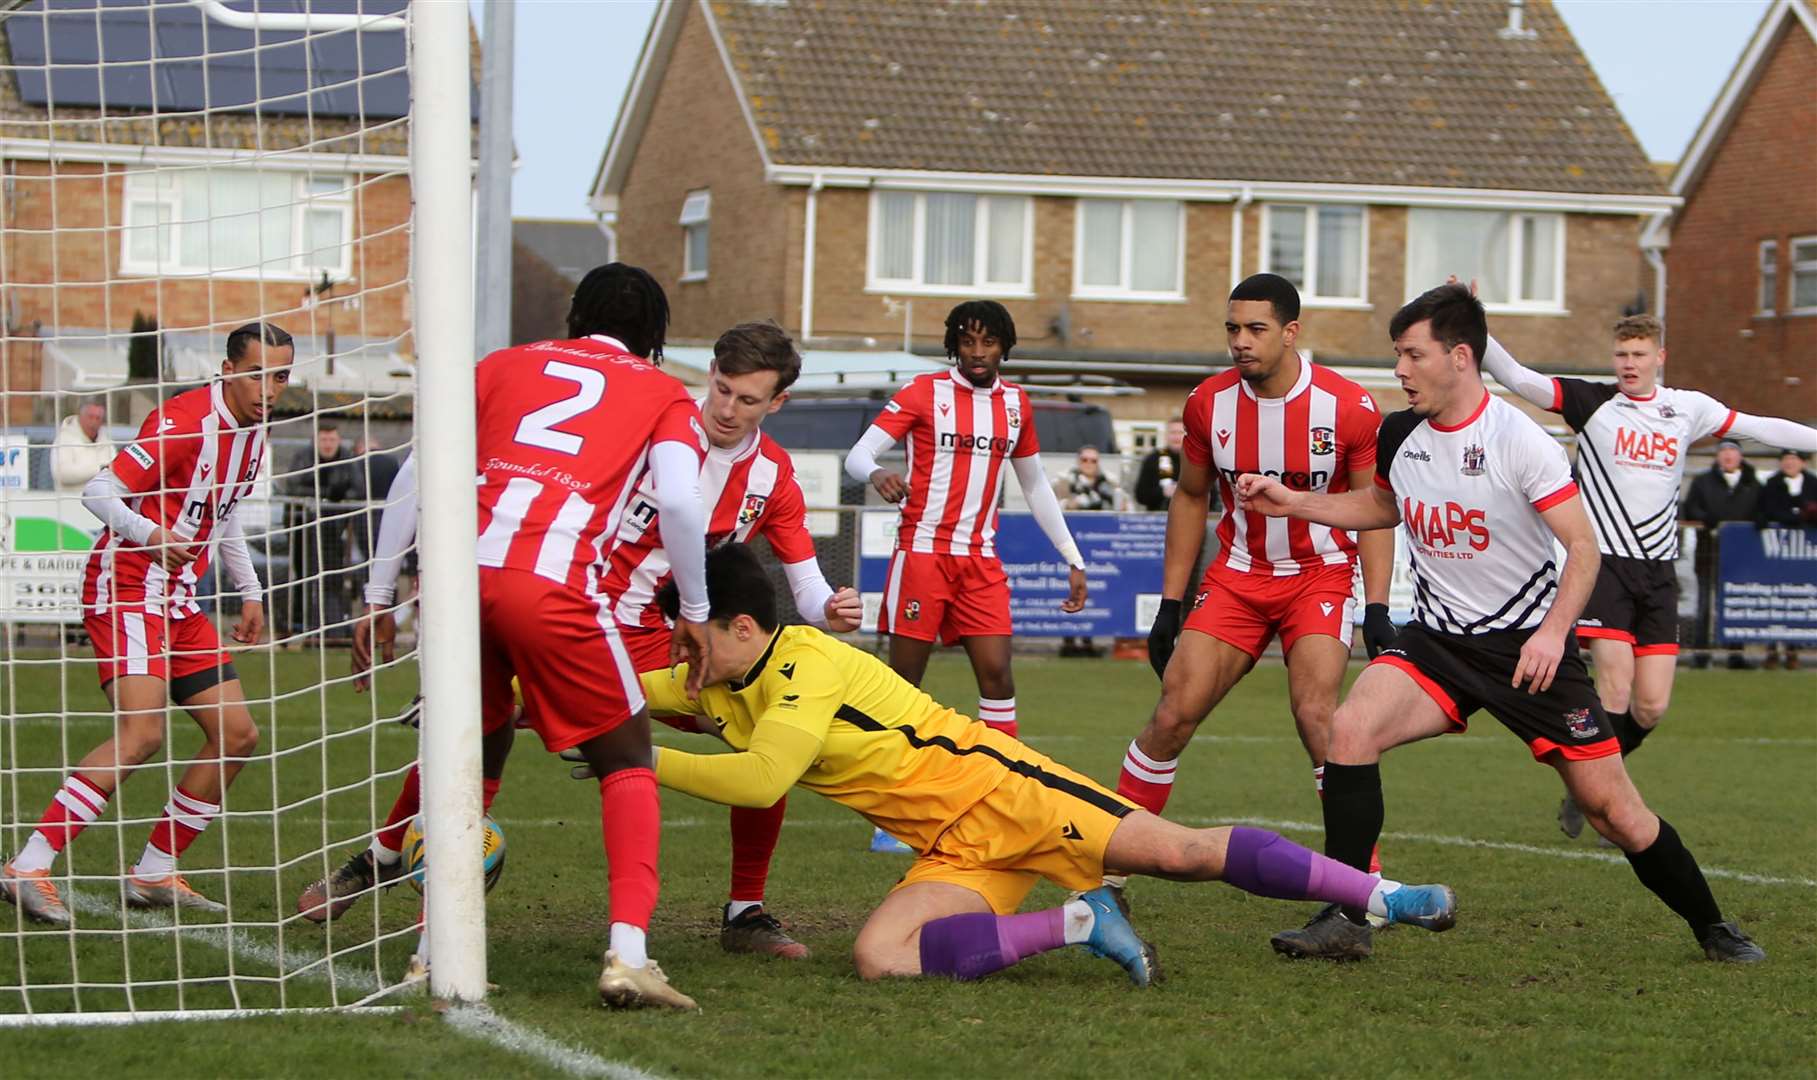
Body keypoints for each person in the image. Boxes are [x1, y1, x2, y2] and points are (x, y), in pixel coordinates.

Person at [579, 542, 1457, 988]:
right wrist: (506, 679)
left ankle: (1380, 898)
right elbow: (609, 684)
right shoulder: (717, 678)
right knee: (882, 958)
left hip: (1008, 793)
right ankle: (1078, 927)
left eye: (690, 642)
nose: (680, 661)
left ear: (741, 628)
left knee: (1185, 853)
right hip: (953, 849)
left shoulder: (803, 664)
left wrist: (638, 759)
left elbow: (760, 780)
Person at [1237, 284, 1764, 963]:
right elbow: (1380, 507)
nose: (1399, 370)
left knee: (1613, 812)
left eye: (1411, 355)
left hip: (1527, 652)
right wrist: (1295, 503)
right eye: (1395, 355)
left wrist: (1550, 634)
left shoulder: (1520, 440)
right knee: (1348, 730)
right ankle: (1346, 915)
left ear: (1459, 358)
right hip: (1436, 643)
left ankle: (1713, 928)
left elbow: (1582, 547)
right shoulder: (1400, 432)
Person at [1480, 313, 1817, 831]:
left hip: (1659, 573)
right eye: (1621, 355)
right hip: (1605, 567)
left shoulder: (1688, 408)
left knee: (1652, 706)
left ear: (1660, 356)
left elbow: (1758, 428)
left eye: (1639, 355)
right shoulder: (1594, 404)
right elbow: (1521, 378)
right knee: (1614, 689)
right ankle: (1607, 800)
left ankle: (1591, 784)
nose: (1629, 365)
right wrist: (1475, 322)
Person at [2, 323, 290, 923]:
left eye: (281, 376)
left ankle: (154, 873)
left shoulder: (254, 436)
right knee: (142, 735)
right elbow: (101, 492)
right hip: (127, 586)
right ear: (228, 369)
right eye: (257, 373)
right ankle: (27, 866)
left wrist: (250, 589)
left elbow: (224, 515)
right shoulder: (184, 420)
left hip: (179, 601)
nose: (269, 388)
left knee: (237, 735)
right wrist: (152, 536)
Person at [597, 321, 862, 957]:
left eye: (747, 400)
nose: (726, 409)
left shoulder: (772, 475)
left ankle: (745, 912)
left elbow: (805, 587)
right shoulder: (648, 429)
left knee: (762, 737)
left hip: (684, 645)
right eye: (720, 390)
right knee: (490, 710)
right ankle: (386, 850)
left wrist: (831, 605)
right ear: (708, 376)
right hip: (596, 623)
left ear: (777, 404)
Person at [1122, 274, 1393, 883]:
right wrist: (1172, 602)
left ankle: (1360, 883)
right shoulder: (1206, 404)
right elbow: (1191, 498)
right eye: (1232, 328)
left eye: (1256, 329)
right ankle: (1109, 865)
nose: (1240, 341)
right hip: (1239, 575)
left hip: (1319, 575)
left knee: (1319, 717)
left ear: (1291, 332)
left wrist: (1376, 607)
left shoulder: (1348, 407)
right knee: (1171, 715)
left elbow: (1375, 510)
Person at [844, 301, 1089, 852]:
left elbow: (1035, 486)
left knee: (998, 676)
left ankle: (1002, 797)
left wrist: (1071, 556)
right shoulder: (923, 392)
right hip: (924, 554)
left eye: (988, 343)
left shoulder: (1015, 404)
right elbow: (858, 455)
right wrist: (880, 472)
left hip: (980, 560)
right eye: (968, 342)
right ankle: (893, 809)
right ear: (954, 344)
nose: (978, 354)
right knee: (904, 685)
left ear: (1005, 345)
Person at [1683, 440, 1767, 670]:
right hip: (1708, 551)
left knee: (1735, 603)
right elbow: (1690, 507)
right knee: (1704, 605)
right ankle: (1700, 654)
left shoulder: (1752, 483)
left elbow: (1762, 509)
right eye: (1723, 451)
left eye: (1732, 451)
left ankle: (1735, 654)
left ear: (1740, 456)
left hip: (1739, 555)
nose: (1728, 455)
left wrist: (1758, 521)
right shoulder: (1703, 481)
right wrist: (1708, 519)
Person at [283, 421, 362, 637]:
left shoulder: (347, 459)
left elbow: (358, 488)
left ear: (338, 440)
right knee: (303, 573)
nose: (328, 444)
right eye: (324, 439)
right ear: (316, 440)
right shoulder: (304, 458)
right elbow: (293, 485)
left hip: (335, 530)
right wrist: (325, 494)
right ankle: (300, 624)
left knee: (334, 575)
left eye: (332, 439)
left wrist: (338, 501)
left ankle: (334, 624)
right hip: (303, 526)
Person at [1054, 445, 1120, 657]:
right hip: (1073, 545)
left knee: (1097, 589)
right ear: (1078, 461)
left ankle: (1090, 638)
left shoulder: (1110, 483)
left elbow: (1122, 507)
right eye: (1085, 460)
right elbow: (1056, 507)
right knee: (1070, 588)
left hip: (1100, 545)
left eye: (1093, 460)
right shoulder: (1064, 481)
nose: (1089, 464)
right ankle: (1069, 639)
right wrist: (1074, 503)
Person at [1756, 450, 1817, 669]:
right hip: (1775, 553)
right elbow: (1764, 512)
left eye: (1794, 459)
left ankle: (1793, 650)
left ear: (1802, 462)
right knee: (1774, 600)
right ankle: (1772, 650)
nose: (1790, 463)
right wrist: (1798, 517)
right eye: (1786, 459)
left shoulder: (1812, 483)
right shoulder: (1771, 485)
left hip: (1803, 554)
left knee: (1797, 600)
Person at [51, 400, 114, 492]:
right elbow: (61, 474)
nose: (94, 422)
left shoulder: (107, 443)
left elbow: (115, 470)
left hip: (101, 501)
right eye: (90, 417)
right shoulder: (64, 440)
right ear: (81, 417)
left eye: (98, 418)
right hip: (70, 501)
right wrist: (99, 469)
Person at [1134, 420, 1186, 512]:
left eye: (1180, 432)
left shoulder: (1194, 460)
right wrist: (1162, 492)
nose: (1176, 437)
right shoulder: (1153, 459)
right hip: (1158, 518)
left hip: (1189, 517)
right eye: (1173, 432)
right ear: (1166, 436)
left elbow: (1211, 496)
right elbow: (1141, 495)